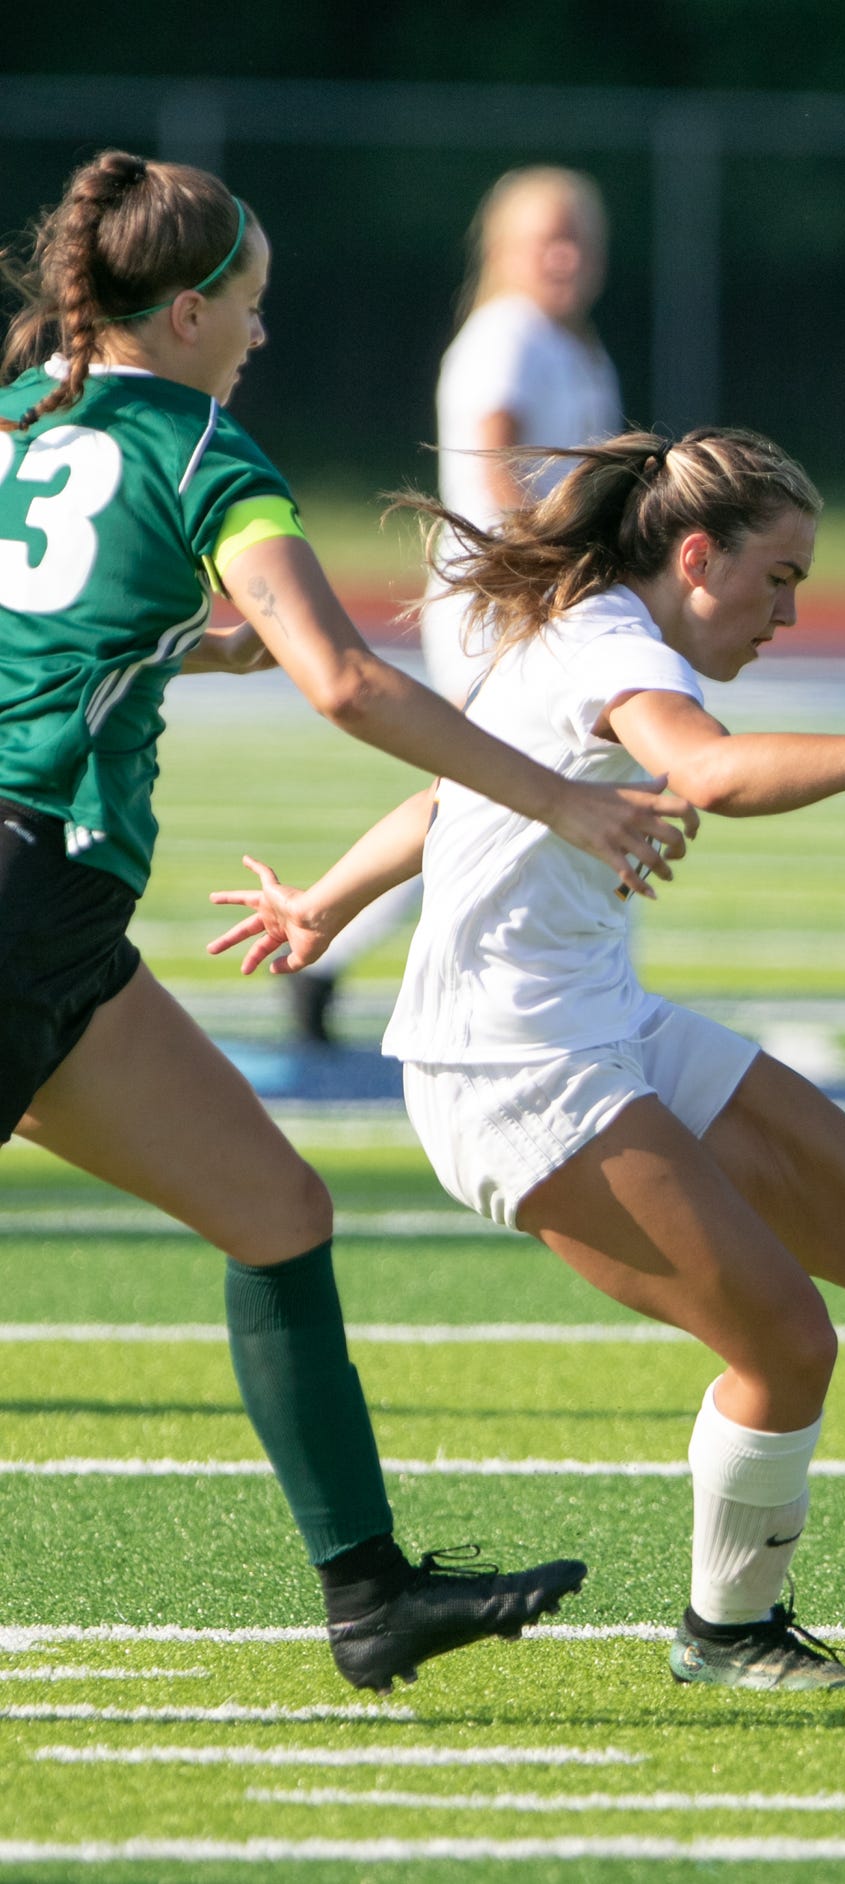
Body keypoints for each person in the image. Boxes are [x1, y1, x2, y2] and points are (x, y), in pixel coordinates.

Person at [211, 427, 845, 1693]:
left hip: (609, 1026)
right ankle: (728, 1632)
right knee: (788, 1344)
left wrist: (324, 905)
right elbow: (709, 772)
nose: (789, 614)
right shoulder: (609, 645)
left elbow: (450, 800)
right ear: (695, 555)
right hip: (510, 1073)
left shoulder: (584, 630)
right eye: (780, 578)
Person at [0, 151, 697, 1694]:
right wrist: (561, 795)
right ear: (183, 312)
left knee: (276, 1214)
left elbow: (58, 622)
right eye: (248, 310)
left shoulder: (24, 416)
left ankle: (369, 1597)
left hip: (53, 920)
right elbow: (351, 683)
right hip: (27, 884)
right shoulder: (204, 450)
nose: (260, 337)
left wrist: (199, 643)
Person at [291, 166, 622, 1047]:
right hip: (503, 601)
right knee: (509, 791)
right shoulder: (509, 335)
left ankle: (333, 951)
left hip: (531, 596)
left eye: (578, 237)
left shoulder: (574, 345)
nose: (564, 255)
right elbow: (495, 467)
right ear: (505, 249)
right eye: (545, 237)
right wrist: (554, 582)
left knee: (510, 793)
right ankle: (345, 950)